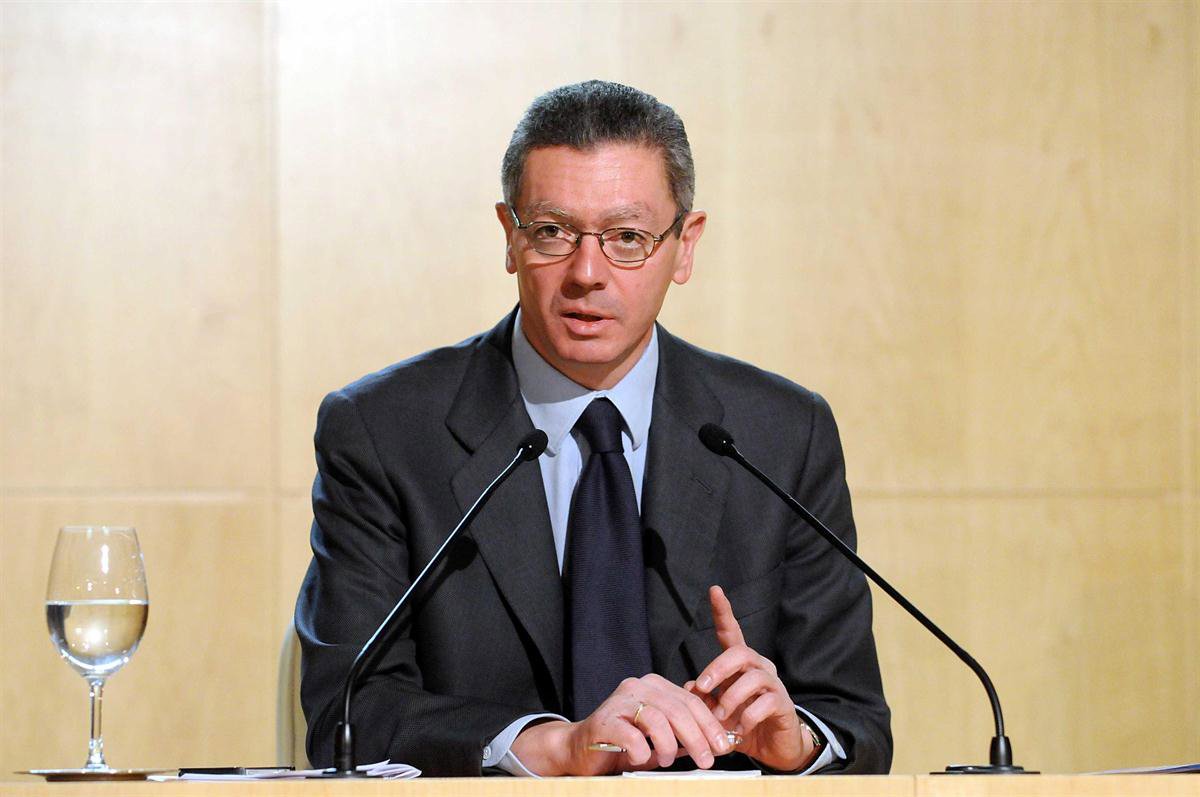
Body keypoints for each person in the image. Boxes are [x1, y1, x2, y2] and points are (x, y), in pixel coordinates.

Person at [295, 80, 891, 777]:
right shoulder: (385, 432)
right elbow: (349, 714)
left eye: (628, 238)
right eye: (552, 232)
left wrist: (796, 743)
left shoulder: (780, 436)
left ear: (685, 245)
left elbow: (854, 721)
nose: (586, 273)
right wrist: (556, 747)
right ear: (510, 236)